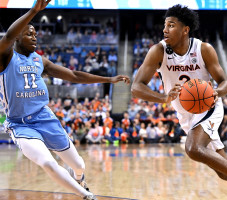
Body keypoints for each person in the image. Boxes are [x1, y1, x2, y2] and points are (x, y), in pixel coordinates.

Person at [131, 4, 227, 200]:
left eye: (171, 25)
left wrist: (214, 92)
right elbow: (136, 87)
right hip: (185, 114)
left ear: (185, 30)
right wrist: (163, 98)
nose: (165, 30)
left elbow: (226, 83)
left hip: (207, 106)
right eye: (165, 25)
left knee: (193, 148)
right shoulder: (159, 51)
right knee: (223, 171)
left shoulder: (204, 49)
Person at [0, 1, 130, 200]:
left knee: (79, 165)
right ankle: (86, 195)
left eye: (35, 34)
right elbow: (8, 35)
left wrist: (109, 79)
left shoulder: (39, 60)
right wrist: (34, 11)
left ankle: (79, 178)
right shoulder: (5, 56)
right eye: (29, 33)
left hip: (44, 117)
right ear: (17, 36)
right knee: (47, 162)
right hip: (20, 124)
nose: (34, 37)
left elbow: (74, 75)